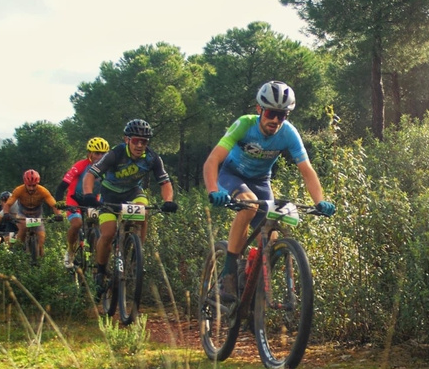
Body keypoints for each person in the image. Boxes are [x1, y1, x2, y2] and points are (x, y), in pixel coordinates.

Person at [202, 80, 335, 299]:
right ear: (259, 110)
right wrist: (213, 190)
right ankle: (227, 276)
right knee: (249, 205)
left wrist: (320, 201)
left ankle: (249, 282)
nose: (275, 120)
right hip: (232, 174)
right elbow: (212, 161)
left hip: (261, 180)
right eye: (271, 113)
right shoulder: (244, 124)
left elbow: (307, 170)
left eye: (281, 116)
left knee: (271, 240)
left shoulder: (289, 134)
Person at [78, 119, 177, 292]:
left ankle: (136, 255)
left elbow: (165, 182)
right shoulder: (115, 154)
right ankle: (100, 271)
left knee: (143, 213)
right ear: (127, 140)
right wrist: (88, 194)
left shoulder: (153, 158)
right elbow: (90, 175)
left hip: (133, 192)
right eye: (135, 141)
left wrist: (168, 201)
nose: (139, 145)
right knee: (108, 234)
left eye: (144, 142)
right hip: (110, 195)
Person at [55, 137, 109, 268]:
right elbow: (62, 186)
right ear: (89, 153)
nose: (100, 156)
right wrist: (60, 201)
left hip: (93, 201)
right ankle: (70, 251)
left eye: (103, 154)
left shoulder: (107, 169)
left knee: (100, 226)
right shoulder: (80, 165)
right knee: (77, 223)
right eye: (97, 153)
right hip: (75, 199)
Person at [4, 170, 65, 258]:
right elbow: (8, 204)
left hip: (37, 215)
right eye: (29, 186)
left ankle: (39, 259)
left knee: (41, 238)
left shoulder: (43, 191)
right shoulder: (18, 190)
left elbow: (54, 204)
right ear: (25, 183)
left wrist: (59, 214)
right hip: (22, 214)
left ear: (38, 183)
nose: (31, 188)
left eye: (34, 185)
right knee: (23, 229)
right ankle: (17, 251)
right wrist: (6, 213)